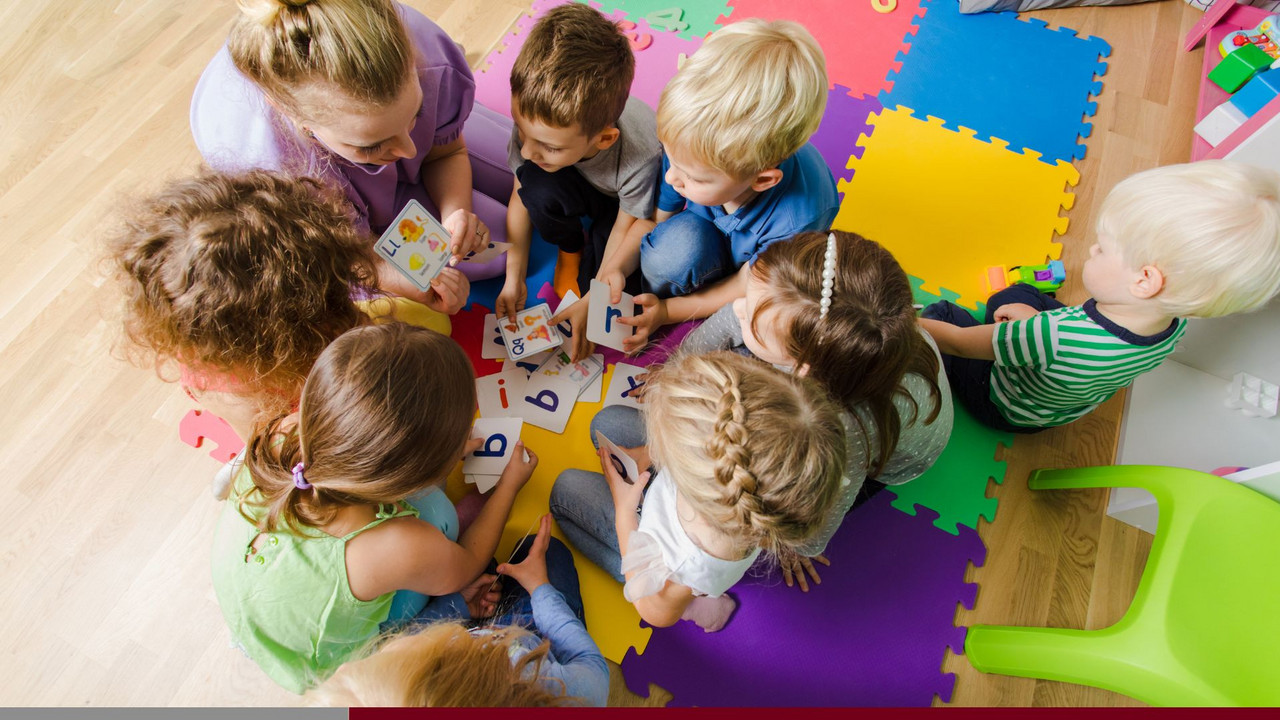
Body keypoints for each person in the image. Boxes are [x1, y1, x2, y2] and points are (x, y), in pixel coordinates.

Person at [212, 323, 538, 694]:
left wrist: (436, 448)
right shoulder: (398, 546)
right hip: (320, 662)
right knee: (441, 519)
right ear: (416, 471)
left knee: (431, 521)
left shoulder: (287, 431)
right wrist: (509, 486)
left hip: (253, 603)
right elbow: (468, 563)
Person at [680, 231, 953, 590]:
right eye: (749, 292)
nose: (737, 308)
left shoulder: (840, 427)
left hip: (882, 456)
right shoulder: (818, 311)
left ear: (803, 367)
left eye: (752, 319)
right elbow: (731, 321)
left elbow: (828, 500)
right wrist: (683, 366)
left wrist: (802, 547)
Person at [919, 160, 1280, 432]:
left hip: (1001, 404)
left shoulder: (1051, 335)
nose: (1091, 250)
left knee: (947, 314)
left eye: (1103, 249)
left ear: (1144, 281)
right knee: (1019, 297)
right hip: (1053, 411)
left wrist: (898, 321)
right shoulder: (1174, 324)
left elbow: (963, 344)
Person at [190, 0, 514, 301]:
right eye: (371, 144)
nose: (408, 149)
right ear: (297, 118)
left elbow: (446, 152)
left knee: (522, 187)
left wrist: (454, 211)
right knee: (488, 259)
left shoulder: (427, 58)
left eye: (416, 114)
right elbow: (347, 256)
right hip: (325, 206)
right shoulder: (276, 171)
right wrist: (409, 284)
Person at [549, 351, 846, 633]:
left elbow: (654, 613)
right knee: (605, 423)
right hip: (681, 507)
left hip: (659, 559)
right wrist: (650, 452)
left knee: (562, 493)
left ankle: (694, 604)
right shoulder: (765, 469)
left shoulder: (685, 563)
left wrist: (625, 512)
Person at [618, 19, 838, 352]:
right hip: (706, 237)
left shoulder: (800, 217)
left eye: (693, 178)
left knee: (770, 323)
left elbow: (747, 283)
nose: (670, 177)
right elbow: (659, 222)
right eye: (669, 157)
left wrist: (666, 311)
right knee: (671, 252)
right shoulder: (688, 149)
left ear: (762, 180)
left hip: (756, 270)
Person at [495, 4, 663, 360]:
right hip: (577, 179)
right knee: (535, 185)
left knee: (617, 288)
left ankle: (584, 267)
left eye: (548, 146)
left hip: (620, 208)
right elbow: (520, 196)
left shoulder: (641, 154)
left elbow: (627, 226)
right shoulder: (535, 123)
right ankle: (569, 249)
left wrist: (592, 300)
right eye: (522, 132)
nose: (526, 150)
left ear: (603, 140)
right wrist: (514, 278)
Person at [306, 514, 608, 707]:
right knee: (544, 550)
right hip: (537, 642)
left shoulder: (405, 677)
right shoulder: (551, 689)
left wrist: (458, 605)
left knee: (483, 563)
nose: (344, 667)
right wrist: (540, 588)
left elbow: (415, 634)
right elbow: (590, 663)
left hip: (478, 631)